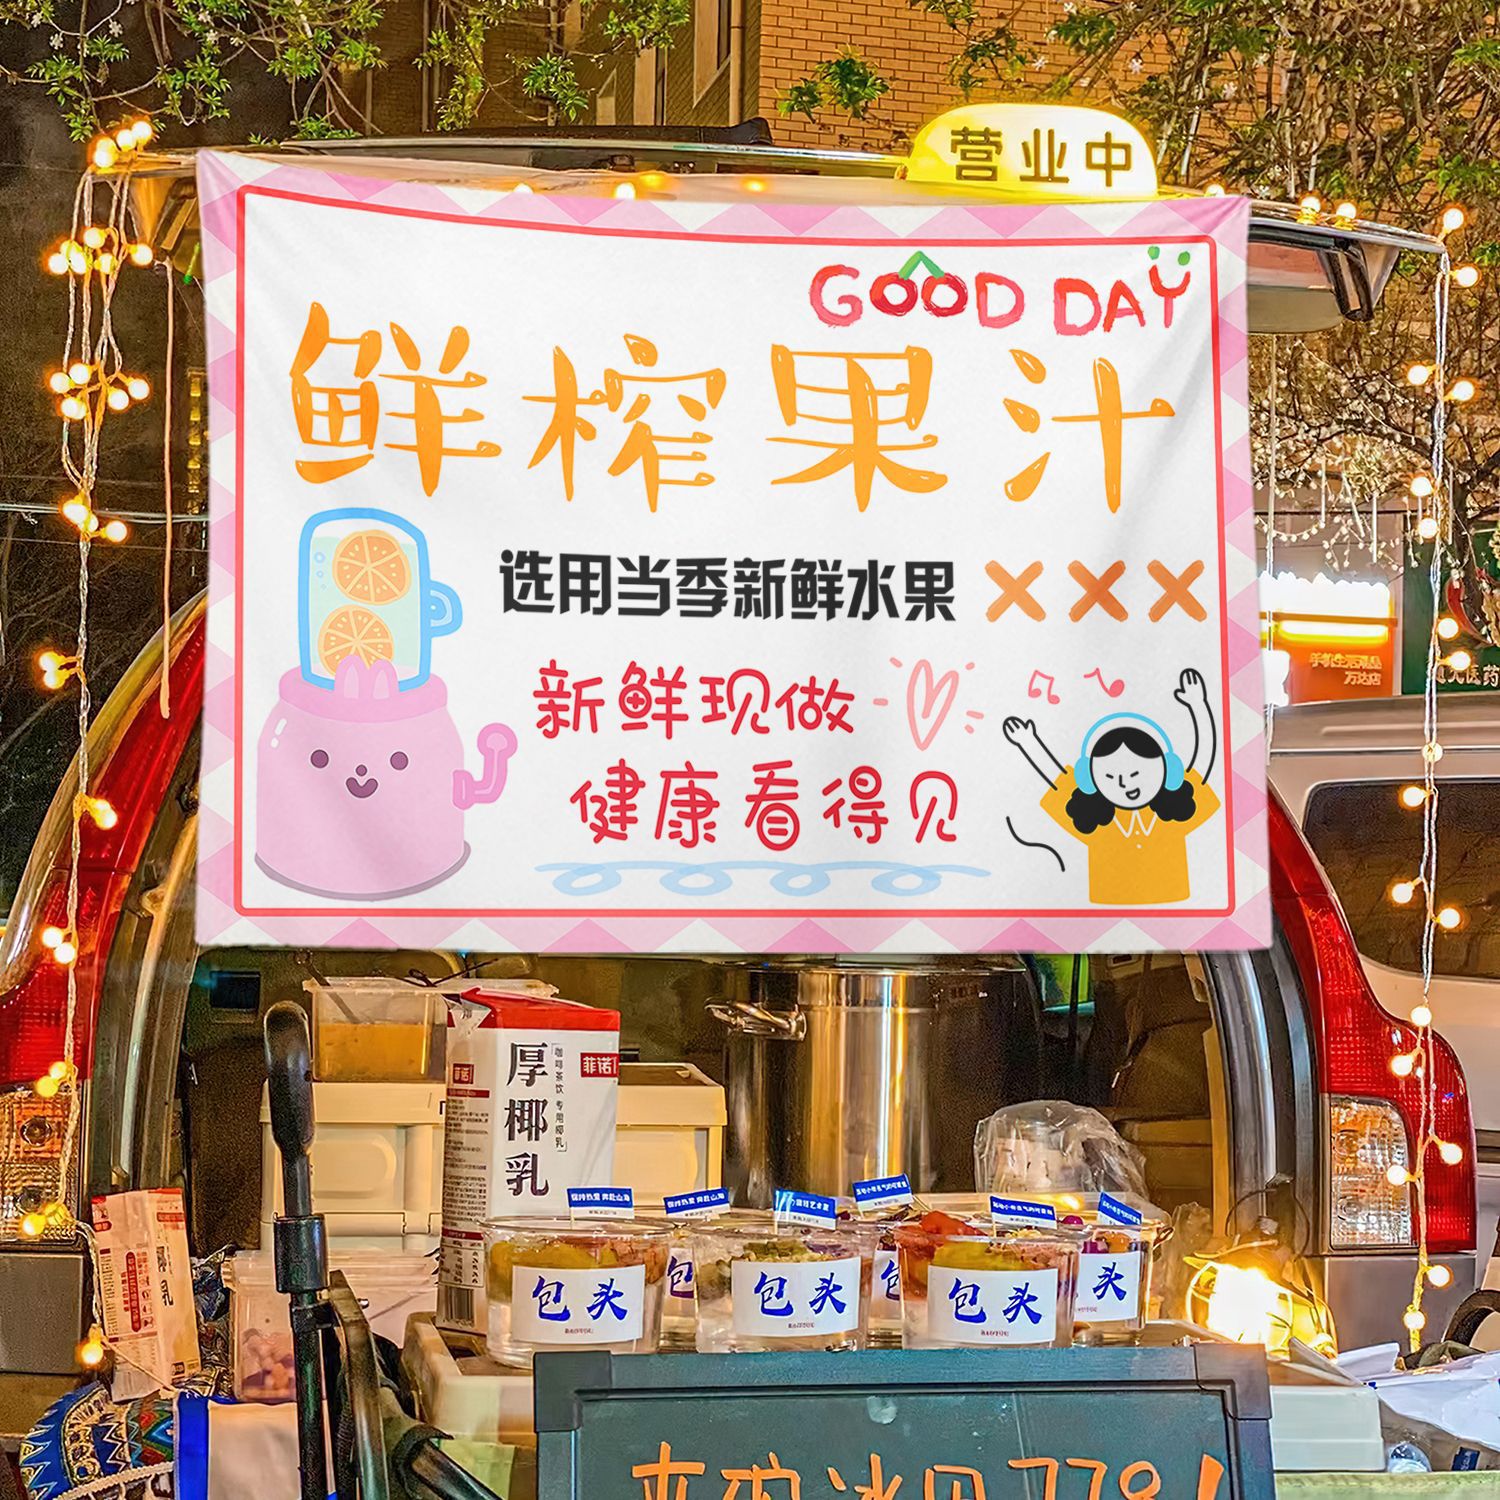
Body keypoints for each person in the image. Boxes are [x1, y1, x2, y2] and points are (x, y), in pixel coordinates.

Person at [1002, 668, 1220, 906]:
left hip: (1176, 903)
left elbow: (1203, 763)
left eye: (1137, 773)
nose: (1126, 783)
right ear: (1088, 779)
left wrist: (1199, 705)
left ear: (1169, 769)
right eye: (1111, 777)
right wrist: (1028, 742)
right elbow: (1056, 779)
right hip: (1108, 906)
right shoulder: (1092, 818)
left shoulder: (1175, 809)